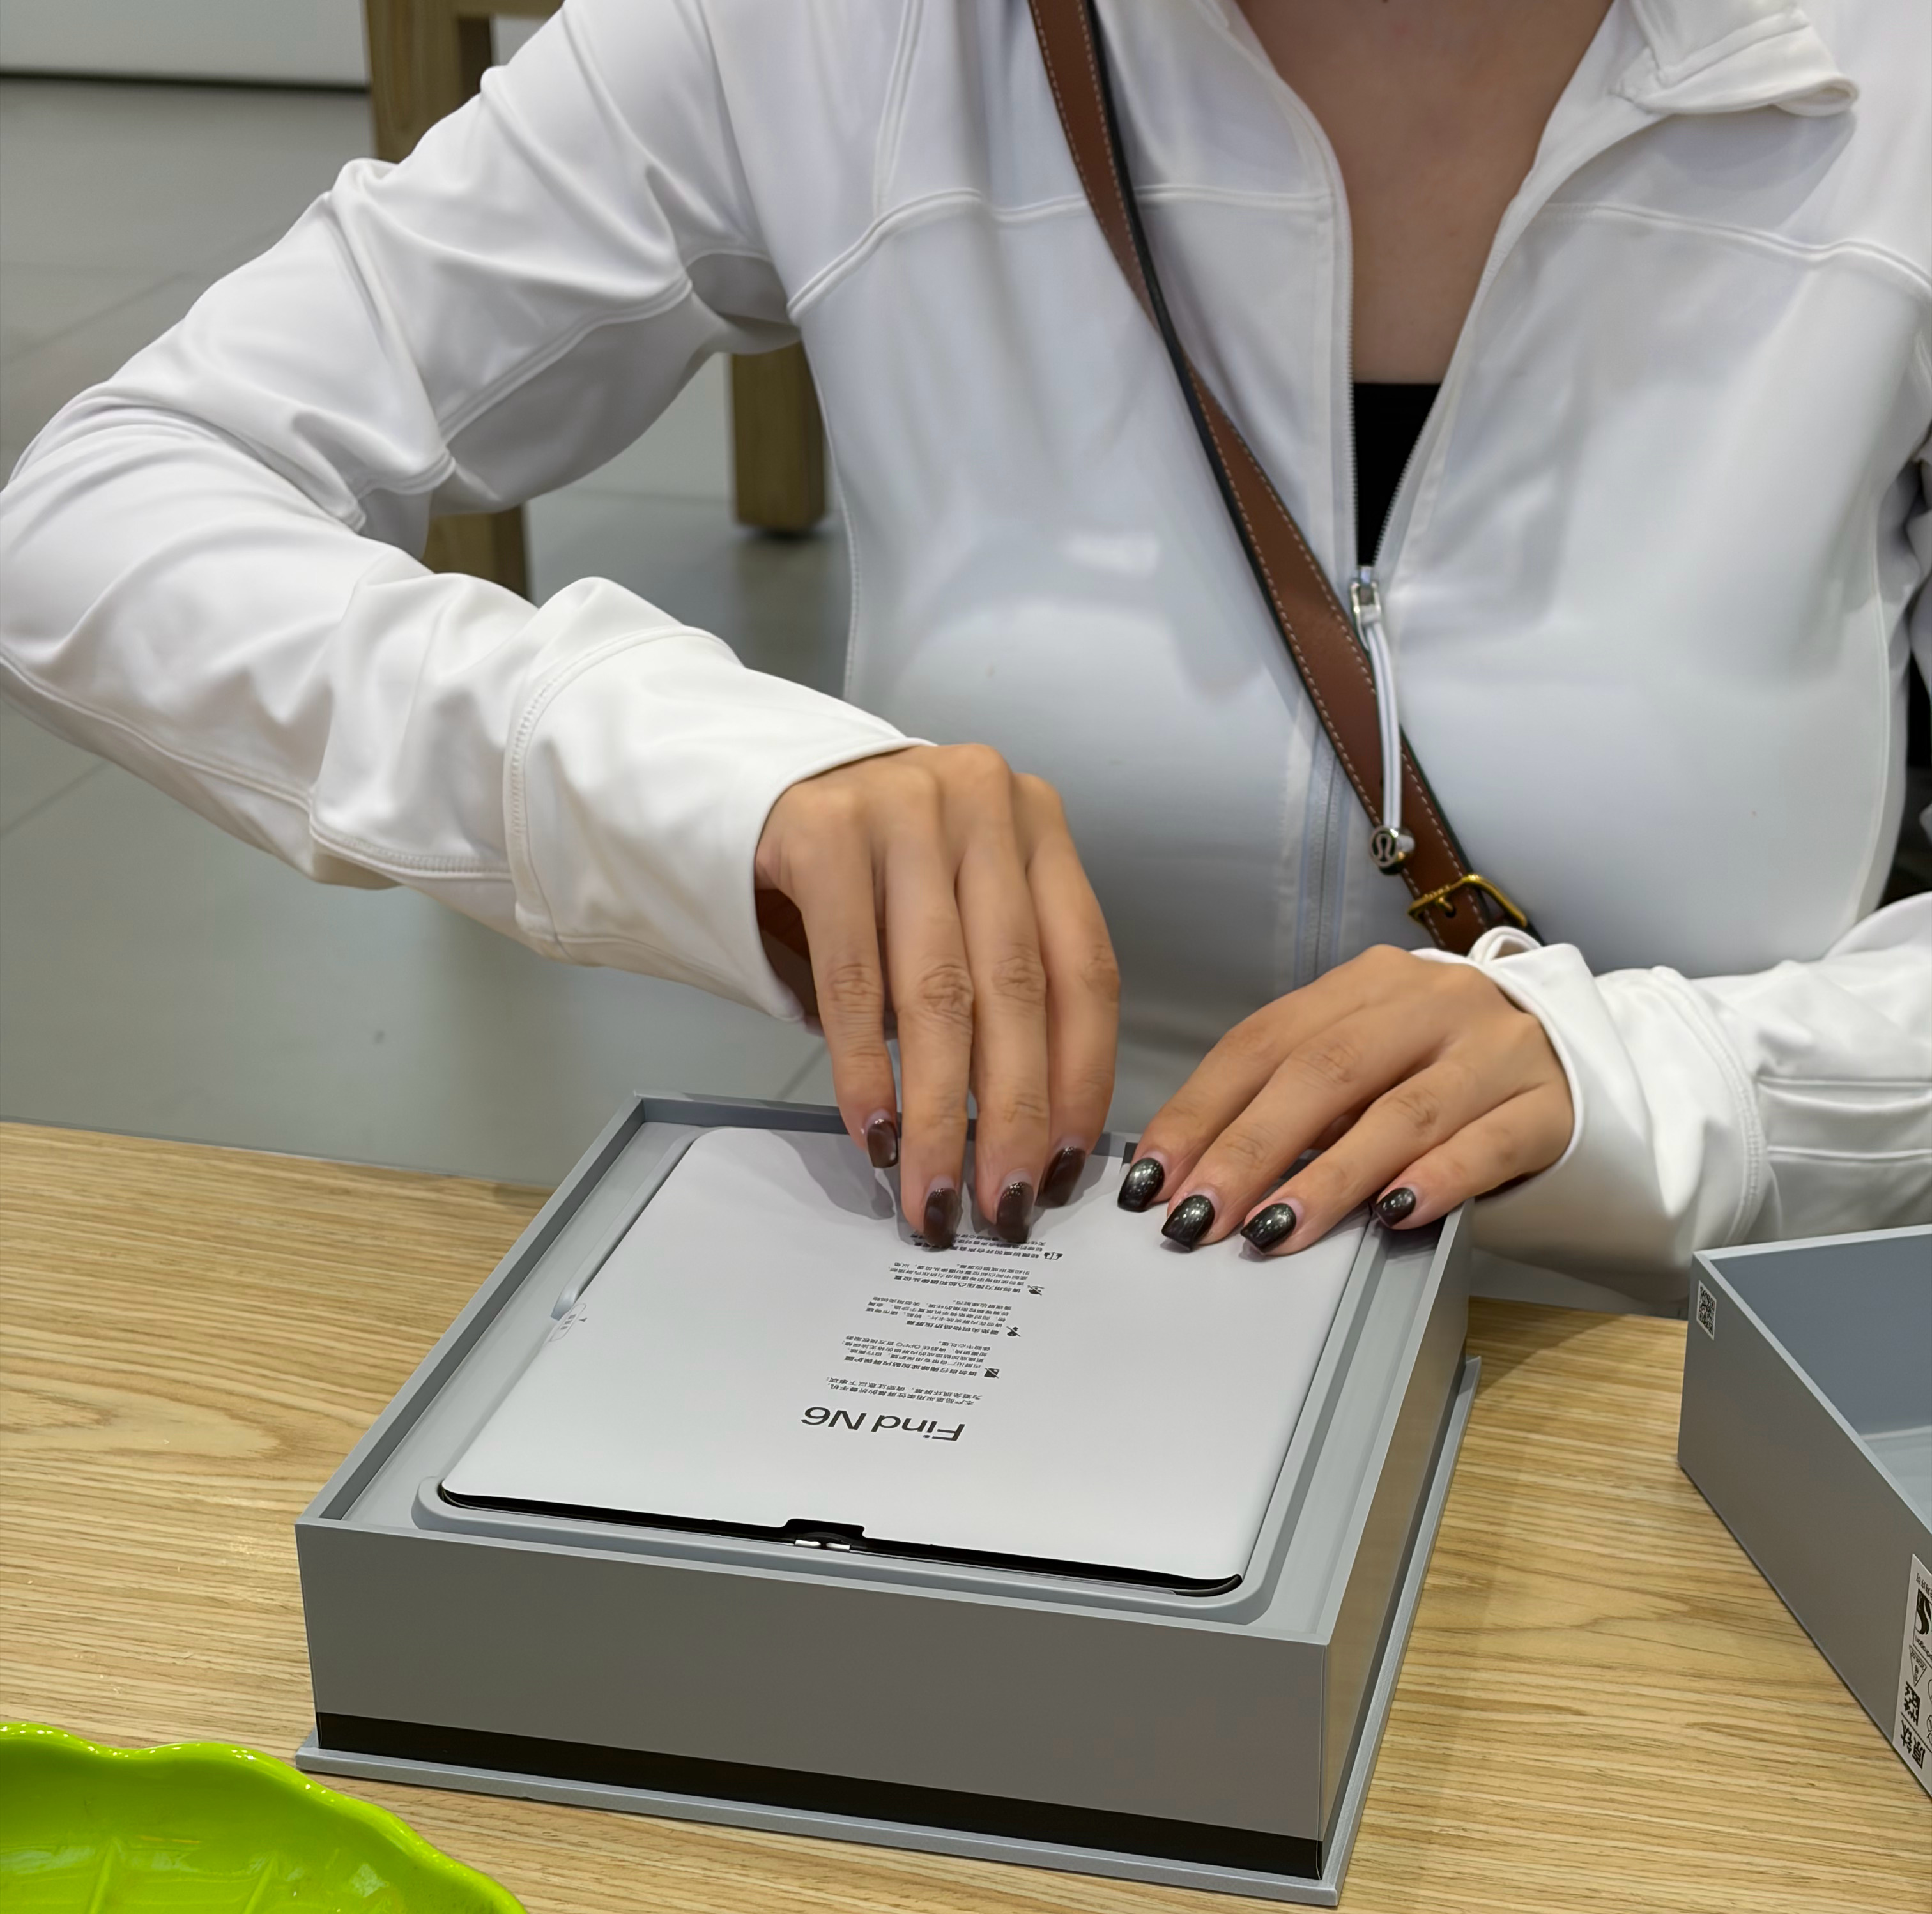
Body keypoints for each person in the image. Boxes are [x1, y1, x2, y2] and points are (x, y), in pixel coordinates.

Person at [0, 0, 1926, 1304]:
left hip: (1670, 1388)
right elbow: (103, 513)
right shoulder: (839, 39)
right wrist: (711, 773)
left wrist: (1685, 1081)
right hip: (973, 1331)